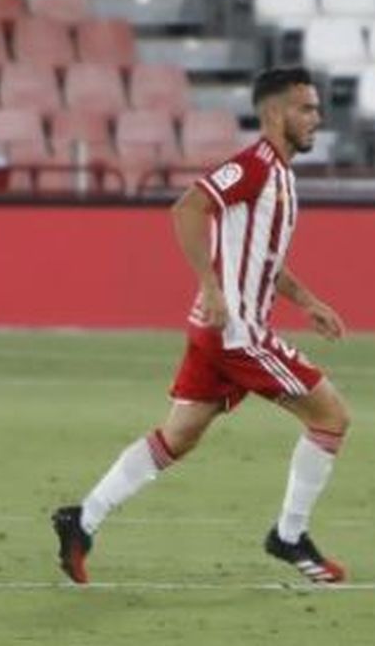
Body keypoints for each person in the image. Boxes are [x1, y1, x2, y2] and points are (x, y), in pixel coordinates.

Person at [51, 67, 351, 585]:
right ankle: (288, 535)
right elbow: (188, 208)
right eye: (306, 109)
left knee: (179, 435)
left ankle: (83, 519)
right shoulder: (255, 166)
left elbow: (261, 260)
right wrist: (211, 287)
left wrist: (307, 300)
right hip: (237, 333)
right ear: (275, 113)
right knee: (331, 418)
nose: (315, 119)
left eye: (317, 109)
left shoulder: (280, 176)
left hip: (215, 332)